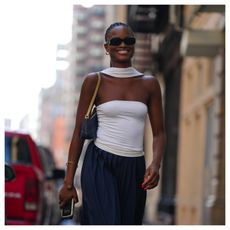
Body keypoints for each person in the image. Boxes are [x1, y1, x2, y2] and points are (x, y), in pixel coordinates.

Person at [59, 22, 166, 225]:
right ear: (107, 47)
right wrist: (68, 182)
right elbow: (78, 133)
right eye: (116, 41)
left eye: (129, 40)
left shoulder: (149, 84)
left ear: (134, 45)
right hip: (100, 162)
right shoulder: (94, 81)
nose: (123, 45)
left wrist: (155, 164)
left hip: (134, 166)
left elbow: (159, 133)